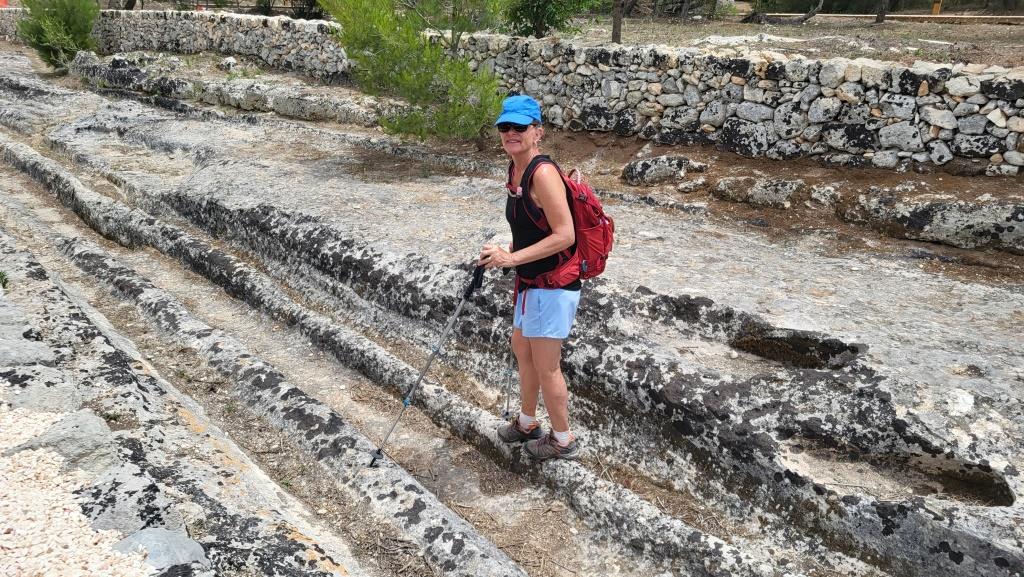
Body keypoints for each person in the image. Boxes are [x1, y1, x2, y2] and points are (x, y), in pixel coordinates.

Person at [479, 95, 581, 461]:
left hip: (552, 285)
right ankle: (526, 422)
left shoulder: (543, 174)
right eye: (505, 126)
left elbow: (565, 235)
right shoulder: (515, 169)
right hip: (531, 281)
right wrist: (505, 251)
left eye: (519, 127)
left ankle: (563, 440)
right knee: (522, 349)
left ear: (537, 132)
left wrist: (510, 258)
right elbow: (532, 228)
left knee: (547, 365)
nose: (510, 132)